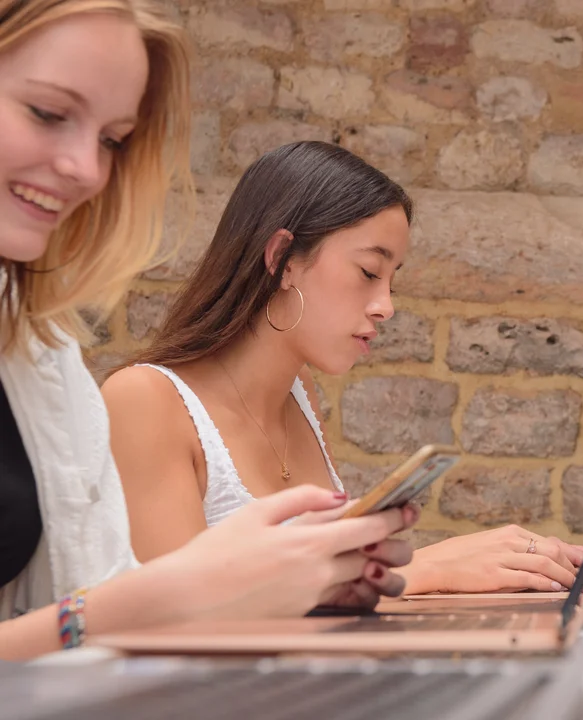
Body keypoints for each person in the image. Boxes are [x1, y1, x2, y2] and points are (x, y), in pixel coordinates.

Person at [0, 0, 416, 662]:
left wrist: (307, 586)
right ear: (280, 258)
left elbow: (105, 605)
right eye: (47, 113)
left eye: (111, 140)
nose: (86, 169)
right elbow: (120, 612)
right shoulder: (137, 398)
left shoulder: (44, 360)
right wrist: (131, 606)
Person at [103, 140, 583, 595]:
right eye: (368, 273)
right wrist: (422, 571)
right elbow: (176, 616)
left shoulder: (300, 394)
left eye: (392, 280)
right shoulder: (144, 400)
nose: (386, 307)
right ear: (281, 260)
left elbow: (325, 600)